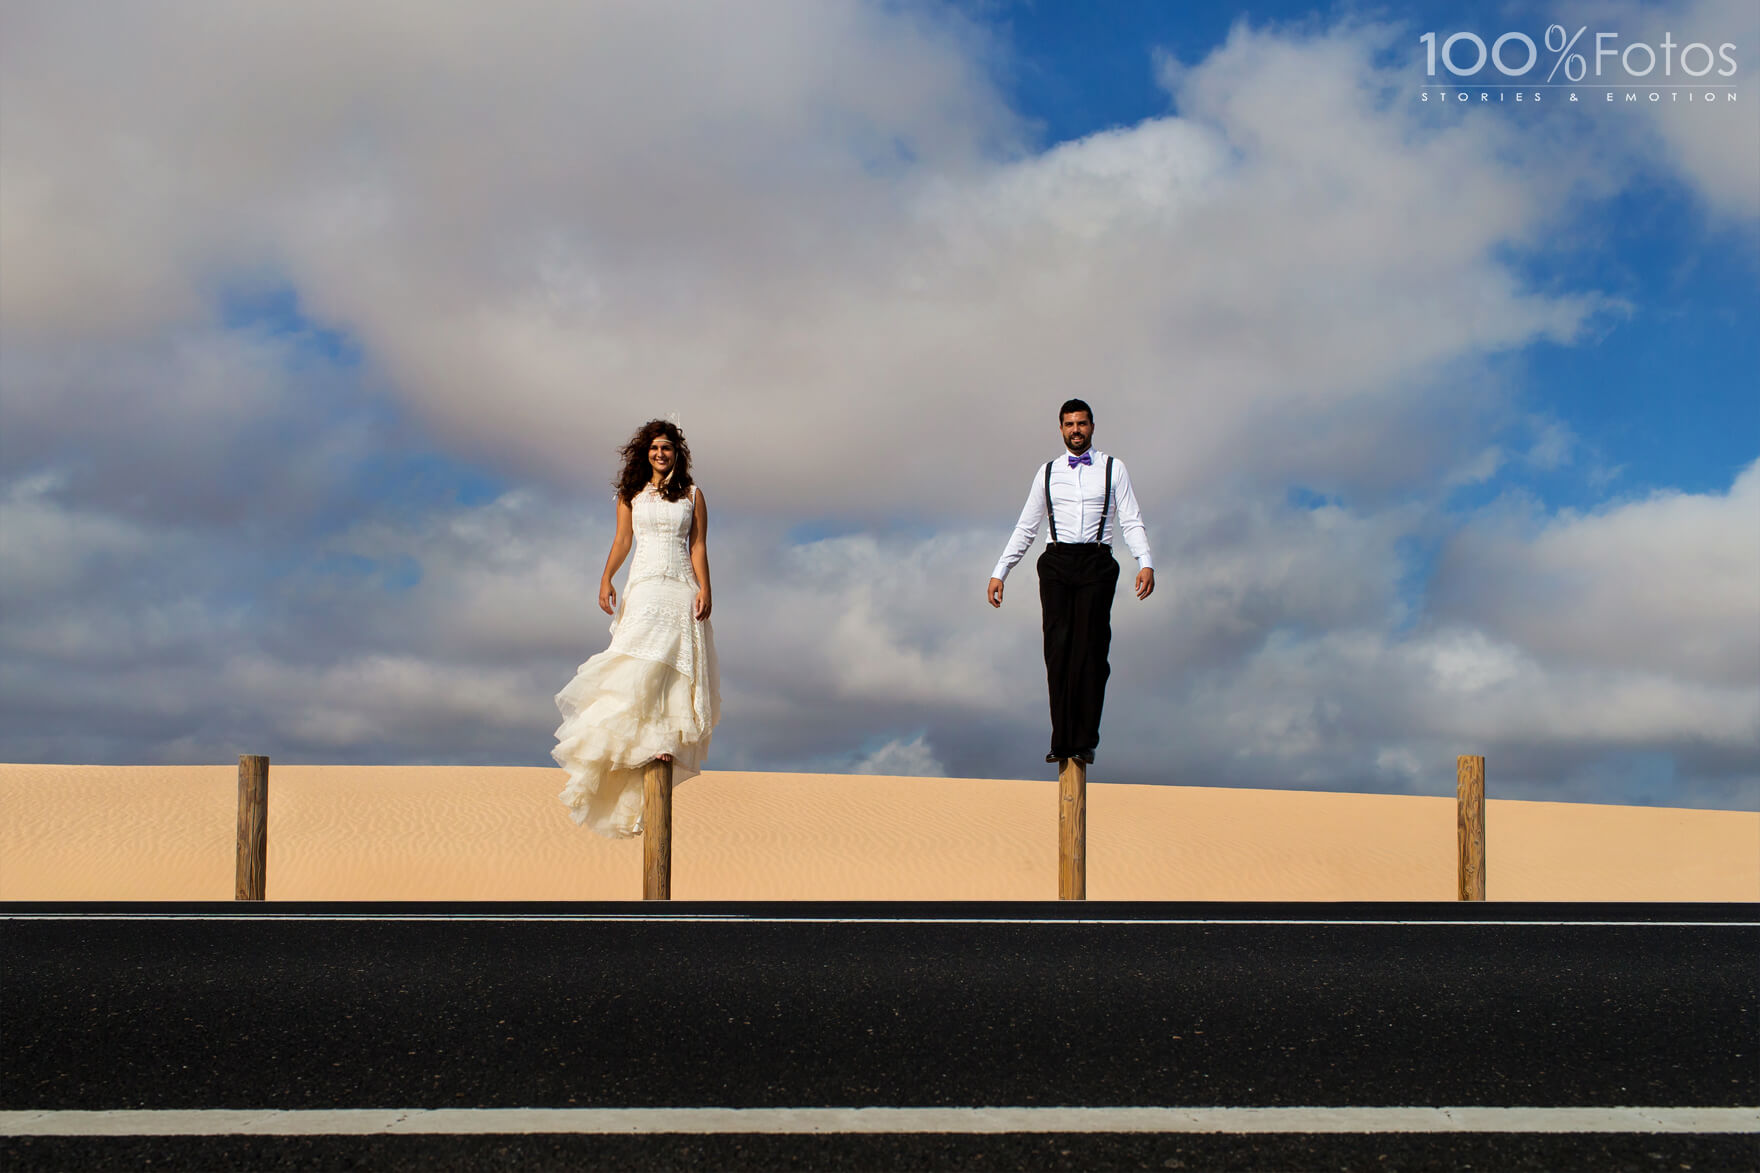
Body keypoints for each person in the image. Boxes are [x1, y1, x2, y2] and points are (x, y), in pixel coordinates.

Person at [552, 419, 720, 837]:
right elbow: (622, 540)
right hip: (643, 585)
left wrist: (705, 588)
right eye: (654, 448)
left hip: (680, 587)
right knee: (636, 658)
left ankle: (663, 741)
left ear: (677, 453)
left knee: (671, 665)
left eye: (667, 448)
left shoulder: (693, 495)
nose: (660, 454)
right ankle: (635, 741)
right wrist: (606, 577)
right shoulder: (631, 495)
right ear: (645, 454)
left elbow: (697, 545)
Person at [987, 399, 1154, 765]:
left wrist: (1145, 561)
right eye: (1068, 424)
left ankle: (1084, 739)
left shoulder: (1114, 468)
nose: (1075, 430)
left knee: (1091, 651)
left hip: (1096, 560)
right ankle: (1062, 739)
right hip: (1057, 562)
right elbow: (1027, 526)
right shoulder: (1047, 472)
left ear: (1092, 426)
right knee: (1058, 650)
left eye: (1081, 423)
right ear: (1060, 429)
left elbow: (1131, 518)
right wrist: (1001, 571)